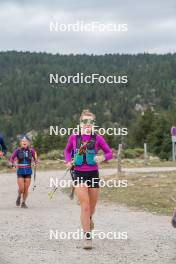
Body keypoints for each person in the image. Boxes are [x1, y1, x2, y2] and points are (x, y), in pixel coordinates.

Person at [64, 109, 112, 249]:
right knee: (84, 206)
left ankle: (89, 219)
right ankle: (87, 237)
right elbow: (67, 151)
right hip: (78, 173)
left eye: (90, 122)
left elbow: (109, 153)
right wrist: (68, 161)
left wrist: (102, 158)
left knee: (92, 207)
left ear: (93, 124)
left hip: (93, 174)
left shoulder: (97, 138)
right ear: (80, 123)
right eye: (84, 121)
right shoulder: (74, 137)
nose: (87, 124)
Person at [9, 135, 38, 208]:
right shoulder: (17, 151)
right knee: (21, 188)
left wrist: (35, 163)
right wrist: (13, 164)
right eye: (22, 141)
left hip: (28, 171)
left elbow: (36, 160)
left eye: (25, 141)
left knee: (26, 189)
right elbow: (11, 158)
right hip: (20, 171)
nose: (24, 142)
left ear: (28, 143)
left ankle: (23, 202)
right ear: (20, 143)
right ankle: (19, 196)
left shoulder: (32, 151)